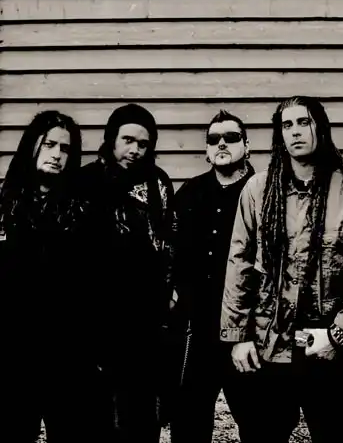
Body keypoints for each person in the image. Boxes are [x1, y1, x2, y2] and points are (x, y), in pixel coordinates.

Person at [220, 96, 343, 443]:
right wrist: (239, 337)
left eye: (304, 122)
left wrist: (339, 335)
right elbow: (240, 265)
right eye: (287, 124)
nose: (295, 131)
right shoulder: (257, 190)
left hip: (328, 345)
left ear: (320, 129)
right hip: (269, 344)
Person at [0, 110, 102, 443]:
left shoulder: (83, 209)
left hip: (68, 354)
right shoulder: (6, 206)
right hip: (14, 353)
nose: (57, 154)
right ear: (32, 146)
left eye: (66, 148)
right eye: (50, 144)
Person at [77, 103, 176, 443]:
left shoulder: (158, 183)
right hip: (96, 318)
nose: (135, 150)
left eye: (144, 144)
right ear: (111, 139)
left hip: (145, 320)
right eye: (128, 140)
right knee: (97, 417)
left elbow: (168, 241)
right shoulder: (86, 181)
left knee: (141, 415)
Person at [170, 109, 255, 443]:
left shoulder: (263, 192)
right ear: (206, 149)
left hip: (248, 329)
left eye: (231, 138)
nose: (222, 144)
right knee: (188, 421)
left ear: (246, 145)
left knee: (260, 422)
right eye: (214, 139)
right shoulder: (189, 193)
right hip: (197, 329)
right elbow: (169, 248)